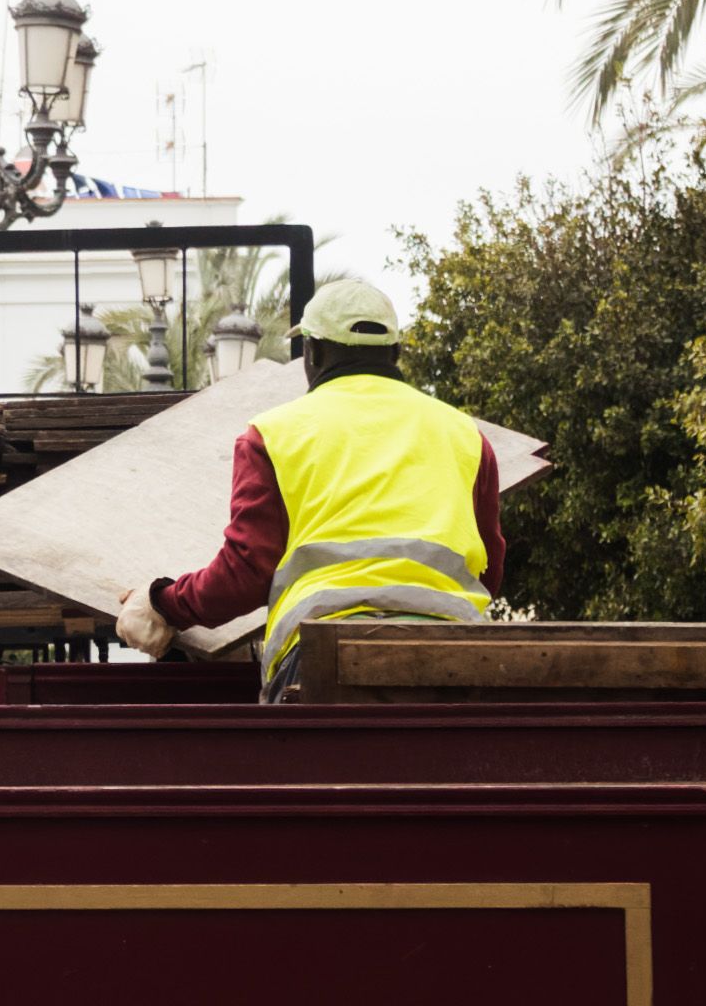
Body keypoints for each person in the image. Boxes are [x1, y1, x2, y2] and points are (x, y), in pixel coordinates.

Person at [116, 276, 503, 699]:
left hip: (322, 657)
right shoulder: (467, 437)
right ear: (396, 352)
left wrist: (164, 603)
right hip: (458, 657)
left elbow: (245, 573)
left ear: (313, 352)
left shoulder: (272, 435)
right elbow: (490, 569)